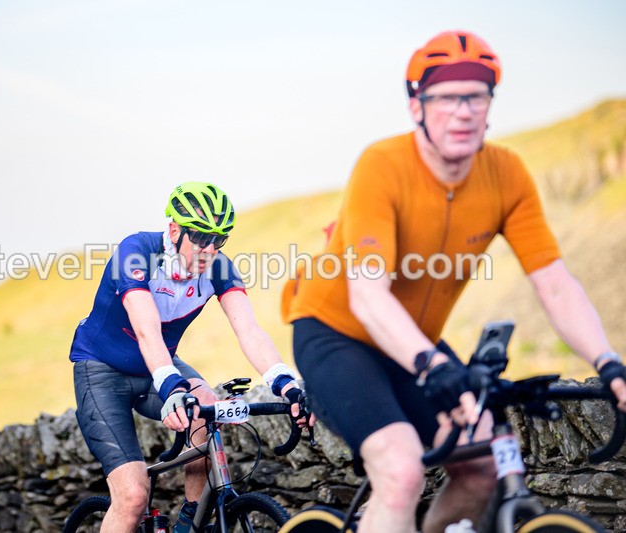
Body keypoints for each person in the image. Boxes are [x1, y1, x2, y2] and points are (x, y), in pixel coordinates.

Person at [282, 30, 626, 533]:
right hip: (337, 332)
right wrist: (431, 365)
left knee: (482, 462)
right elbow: (368, 294)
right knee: (400, 472)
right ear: (416, 105)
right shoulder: (383, 166)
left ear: (490, 106)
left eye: (477, 96)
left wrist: (607, 362)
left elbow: (554, 283)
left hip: (415, 342)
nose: (463, 111)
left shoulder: (506, 174)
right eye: (446, 97)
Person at [71, 181, 311, 533]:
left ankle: (190, 520)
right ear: (174, 230)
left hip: (156, 365)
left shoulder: (218, 267)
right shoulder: (136, 252)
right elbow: (146, 331)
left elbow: (250, 331)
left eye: (220, 239)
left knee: (205, 404)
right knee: (133, 497)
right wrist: (171, 388)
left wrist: (285, 384)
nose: (209, 249)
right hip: (101, 371)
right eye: (200, 237)